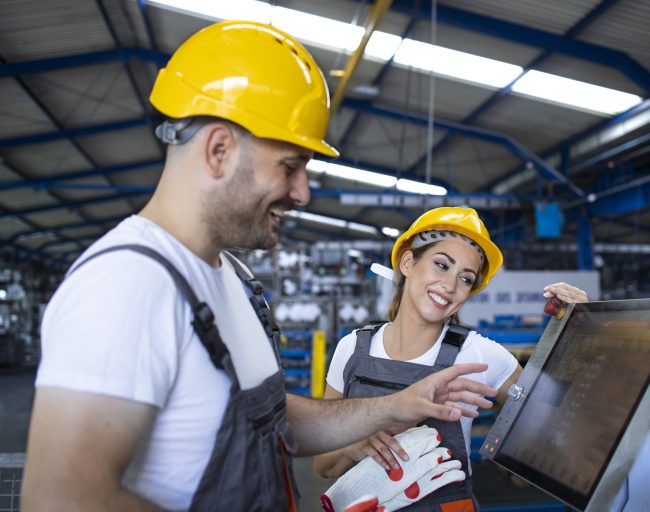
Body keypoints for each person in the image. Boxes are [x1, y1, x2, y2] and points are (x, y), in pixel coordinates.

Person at [20, 21, 498, 512]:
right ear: (219, 150)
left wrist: (395, 406)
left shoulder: (231, 277)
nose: (302, 192)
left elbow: (270, 418)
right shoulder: (126, 286)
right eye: (289, 166)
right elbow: (61, 500)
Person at [314, 207, 588, 510]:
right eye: (441, 265)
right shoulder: (351, 349)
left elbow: (556, 423)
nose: (450, 285)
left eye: (466, 278)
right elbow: (324, 465)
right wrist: (354, 446)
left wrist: (581, 330)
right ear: (408, 262)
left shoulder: (480, 355)